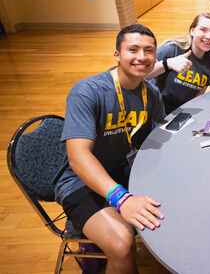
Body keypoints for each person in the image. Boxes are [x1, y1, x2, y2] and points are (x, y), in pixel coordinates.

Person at [53, 24, 165, 272]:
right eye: (133, 49)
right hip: (80, 182)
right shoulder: (87, 91)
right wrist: (121, 199)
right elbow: (78, 158)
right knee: (122, 245)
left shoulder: (152, 93)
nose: (142, 57)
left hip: (125, 169)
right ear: (117, 55)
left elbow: (159, 135)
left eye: (149, 51)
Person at [146, 13, 210, 114]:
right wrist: (167, 63)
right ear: (192, 31)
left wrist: (185, 115)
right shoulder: (171, 49)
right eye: (203, 30)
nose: (209, 36)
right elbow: (141, 76)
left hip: (181, 113)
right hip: (156, 110)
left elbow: (199, 94)